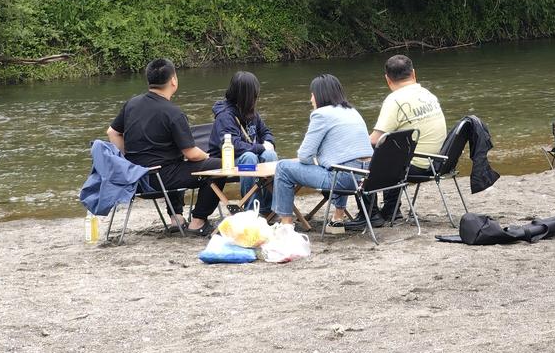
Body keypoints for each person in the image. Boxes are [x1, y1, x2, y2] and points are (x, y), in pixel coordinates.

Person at [105, 57, 224, 235]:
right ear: (173, 80)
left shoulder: (132, 104)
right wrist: (207, 157)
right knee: (220, 166)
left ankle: (177, 218)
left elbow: (112, 133)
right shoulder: (173, 113)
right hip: (161, 180)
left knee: (173, 159)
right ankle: (198, 221)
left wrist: (128, 158)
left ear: (149, 80)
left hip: (135, 179)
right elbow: (191, 154)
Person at [347, 54, 447, 229]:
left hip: (414, 165)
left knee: (360, 158)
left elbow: (375, 139)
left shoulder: (395, 100)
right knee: (393, 151)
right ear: (414, 74)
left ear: (387, 79)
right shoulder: (428, 94)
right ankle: (391, 210)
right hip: (438, 161)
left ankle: (369, 214)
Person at [271, 74, 371, 228]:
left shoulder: (321, 114)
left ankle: (286, 224)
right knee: (338, 164)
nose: (311, 99)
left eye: (312, 95)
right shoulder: (352, 111)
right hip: (366, 177)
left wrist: (315, 161)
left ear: (319, 95)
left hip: (344, 179)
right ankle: (338, 217)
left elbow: (304, 155)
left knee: (283, 168)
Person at [211, 71, 277, 212]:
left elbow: (266, 132)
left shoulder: (251, 112)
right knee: (249, 158)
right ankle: (251, 209)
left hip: (249, 157)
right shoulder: (225, 116)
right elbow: (234, 146)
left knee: (270, 156)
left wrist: (269, 142)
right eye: (254, 92)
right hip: (226, 162)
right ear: (247, 95)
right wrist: (261, 147)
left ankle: (268, 208)